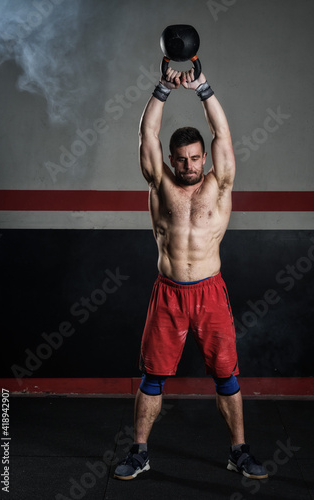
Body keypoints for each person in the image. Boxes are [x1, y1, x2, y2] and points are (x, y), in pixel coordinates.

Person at [114, 66, 268, 481]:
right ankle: (139, 452)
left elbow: (223, 136)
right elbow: (146, 136)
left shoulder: (220, 185)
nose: (188, 165)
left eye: (195, 158)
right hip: (168, 294)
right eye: (181, 159)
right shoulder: (159, 184)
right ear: (171, 160)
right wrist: (162, 88)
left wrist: (203, 89)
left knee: (227, 375)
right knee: (151, 378)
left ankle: (239, 451)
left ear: (204, 157)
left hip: (210, 294)